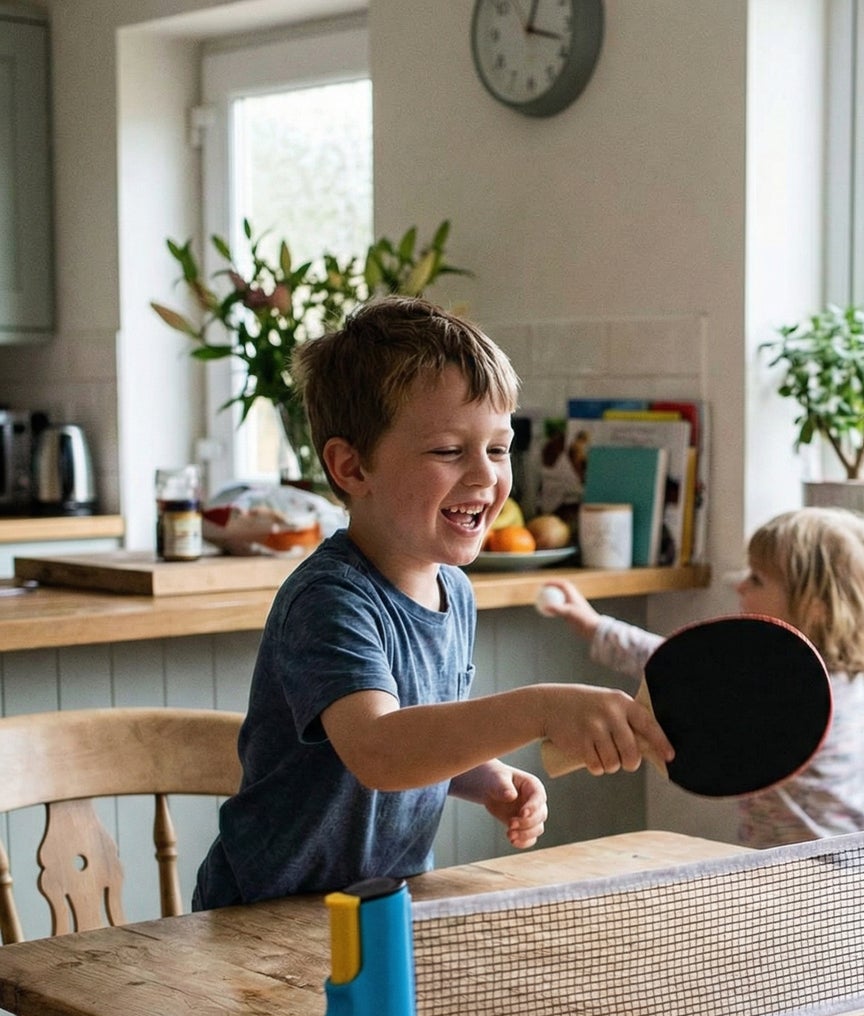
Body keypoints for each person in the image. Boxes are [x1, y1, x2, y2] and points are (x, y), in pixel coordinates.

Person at [194, 296, 671, 908]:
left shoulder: (455, 590)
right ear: (350, 467)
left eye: (498, 449)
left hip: (379, 906)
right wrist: (541, 709)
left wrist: (483, 777)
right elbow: (378, 750)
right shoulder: (331, 600)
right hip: (261, 916)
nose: (485, 476)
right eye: (449, 451)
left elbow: (421, 739)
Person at [544, 507, 864, 846]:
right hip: (794, 864)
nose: (740, 585)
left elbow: (679, 668)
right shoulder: (835, 677)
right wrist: (595, 627)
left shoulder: (790, 689)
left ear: (812, 609)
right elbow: (680, 666)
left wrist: (597, 629)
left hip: (821, 877)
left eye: (758, 579)